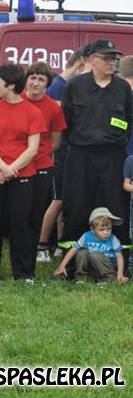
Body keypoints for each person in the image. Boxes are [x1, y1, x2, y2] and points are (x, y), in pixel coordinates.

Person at [61, 39, 132, 271]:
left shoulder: (122, 88)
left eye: (114, 59)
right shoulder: (75, 86)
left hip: (113, 156)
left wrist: (114, 138)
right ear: (92, 60)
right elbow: (67, 120)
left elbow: (129, 121)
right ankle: (72, 264)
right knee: (77, 203)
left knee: (116, 204)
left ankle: (118, 262)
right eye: (107, 58)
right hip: (81, 155)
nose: (112, 62)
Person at [0, 64, 46, 283]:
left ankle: (23, 273)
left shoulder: (33, 112)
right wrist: (2, 168)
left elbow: (33, 149)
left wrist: (9, 170)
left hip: (22, 174)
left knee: (20, 222)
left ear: (11, 85)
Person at [38, 46, 88, 261]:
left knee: (64, 199)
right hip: (60, 153)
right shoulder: (60, 87)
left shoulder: (64, 86)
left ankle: (60, 243)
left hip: (69, 152)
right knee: (57, 200)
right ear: (81, 64)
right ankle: (41, 245)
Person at [21, 62, 66, 269]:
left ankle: (34, 251)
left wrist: (38, 155)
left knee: (36, 210)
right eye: (32, 77)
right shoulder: (15, 101)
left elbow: (55, 142)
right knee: (18, 212)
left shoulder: (53, 109)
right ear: (26, 79)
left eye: (41, 79)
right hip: (16, 165)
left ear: (47, 84)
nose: (35, 83)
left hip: (41, 165)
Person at [53, 208, 127, 283]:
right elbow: (73, 250)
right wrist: (62, 266)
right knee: (81, 252)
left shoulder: (113, 239)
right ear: (92, 229)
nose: (106, 232)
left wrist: (120, 274)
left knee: (95, 255)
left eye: (109, 229)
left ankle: (110, 278)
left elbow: (119, 257)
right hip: (93, 266)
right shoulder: (86, 236)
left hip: (108, 266)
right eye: (101, 229)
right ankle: (81, 278)